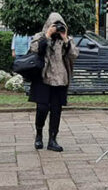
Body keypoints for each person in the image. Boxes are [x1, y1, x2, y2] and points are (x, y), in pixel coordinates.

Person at [28, 13, 78, 151]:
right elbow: (35, 49)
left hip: (60, 79)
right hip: (43, 78)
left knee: (56, 110)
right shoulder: (40, 36)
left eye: (59, 25)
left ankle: (52, 139)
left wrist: (65, 39)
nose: (57, 28)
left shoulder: (66, 39)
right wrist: (48, 35)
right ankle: (39, 135)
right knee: (42, 108)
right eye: (54, 25)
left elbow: (74, 55)